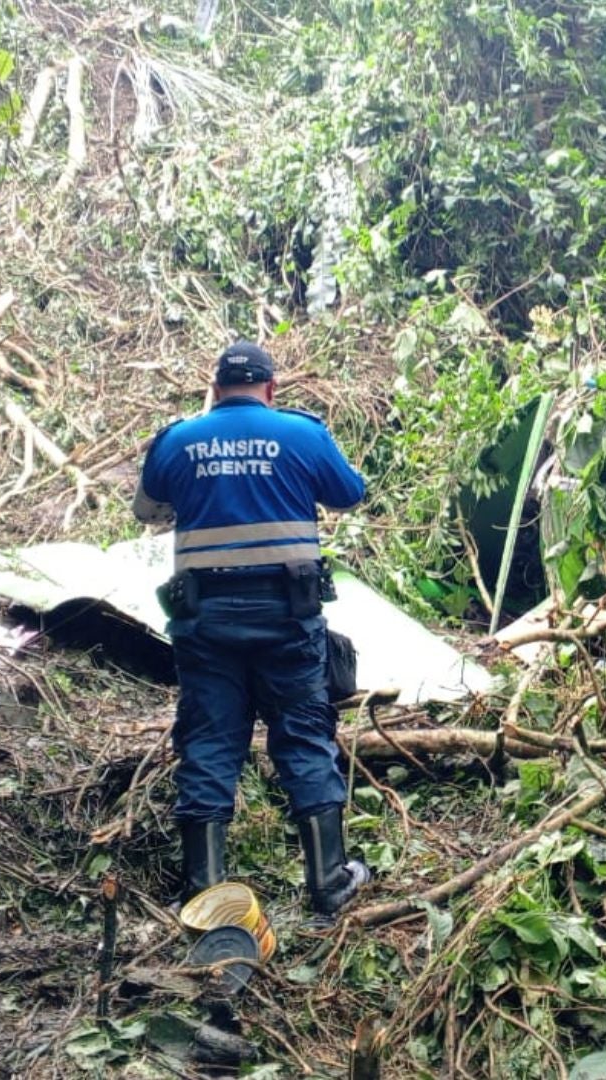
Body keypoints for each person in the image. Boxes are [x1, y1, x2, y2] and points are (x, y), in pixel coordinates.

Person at [133, 340, 370, 920]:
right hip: (287, 620)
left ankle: (205, 895)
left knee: (210, 742)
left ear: (215, 390)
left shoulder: (177, 439)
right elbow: (352, 494)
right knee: (304, 735)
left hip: (206, 623)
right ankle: (329, 881)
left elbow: (146, 511)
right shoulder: (302, 434)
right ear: (271, 389)